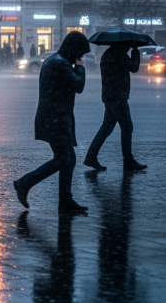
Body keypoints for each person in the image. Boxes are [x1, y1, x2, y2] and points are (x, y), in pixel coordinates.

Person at [14, 31, 91, 212]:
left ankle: (65, 200)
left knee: (68, 158)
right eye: (80, 53)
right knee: (64, 158)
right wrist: (80, 67)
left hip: (55, 117)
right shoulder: (60, 64)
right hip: (55, 118)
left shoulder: (57, 60)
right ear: (73, 50)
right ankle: (25, 183)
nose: (81, 57)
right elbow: (78, 85)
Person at [84, 42, 146, 171]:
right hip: (118, 96)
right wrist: (135, 52)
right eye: (128, 45)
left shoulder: (108, 54)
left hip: (110, 94)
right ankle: (128, 160)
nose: (128, 46)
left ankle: (91, 157)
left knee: (107, 127)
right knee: (127, 127)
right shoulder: (119, 55)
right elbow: (134, 68)